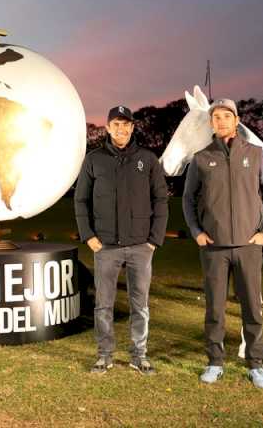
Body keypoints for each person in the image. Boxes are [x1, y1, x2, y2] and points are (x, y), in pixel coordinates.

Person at [182, 98, 263, 388]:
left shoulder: (256, 154)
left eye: (227, 116)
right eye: (216, 117)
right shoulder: (201, 158)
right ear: (211, 123)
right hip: (214, 247)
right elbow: (188, 199)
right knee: (215, 309)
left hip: (249, 245)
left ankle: (256, 364)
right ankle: (215, 361)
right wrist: (196, 231)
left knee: (252, 308)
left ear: (237, 120)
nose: (221, 121)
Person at [74, 105, 168, 375]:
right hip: (105, 247)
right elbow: (81, 200)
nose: (121, 129)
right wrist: (88, 235)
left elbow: (161, 200)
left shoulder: (147, 159)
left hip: (141, 246)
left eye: (126, 124)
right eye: (116, 124)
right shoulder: (94, 159)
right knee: (103, 304)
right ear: (108, 127)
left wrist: (154, 240)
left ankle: (139, 355)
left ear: (132, 128)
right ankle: (104, 355)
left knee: (141, 305)